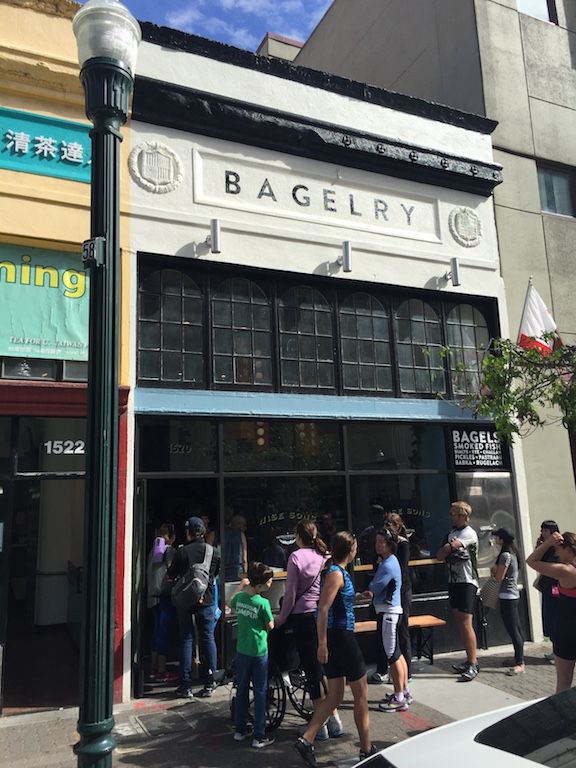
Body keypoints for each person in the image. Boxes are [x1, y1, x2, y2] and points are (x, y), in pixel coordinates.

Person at [294, 531, 376, 768]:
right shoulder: (336, 574)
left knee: (335, 696)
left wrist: (357, 596)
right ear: (350, 550)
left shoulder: (336, 572)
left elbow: (338, 601)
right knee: (361, 694)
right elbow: (323, 609)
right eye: (356, 547)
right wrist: (322, 644)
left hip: (336, 637)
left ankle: (306, 739)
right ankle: (366, 749)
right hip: (340, 637)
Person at [275, 519, 343, 742]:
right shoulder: (324, 555)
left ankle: (319, 725)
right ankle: (334, 718)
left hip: (302, 617)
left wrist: (281, 618)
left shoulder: (296, 557)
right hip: (321, 614)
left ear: (298, 536)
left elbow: (291, 593)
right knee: (322, 669)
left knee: (312, 670)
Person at [168, 516, 220, 698]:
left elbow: (171, 574)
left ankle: (186, 686)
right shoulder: (213, 552)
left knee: (186, 640)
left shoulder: (182, 552)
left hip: (185, 602)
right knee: (208, 639)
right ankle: (210, 682)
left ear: (188, 532)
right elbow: (215, 574)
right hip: (206, 600)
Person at [228, 561, 275, 749]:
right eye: (269, 582)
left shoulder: (240, 598)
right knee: (260, 691)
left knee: (241, 689)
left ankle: (240, 730)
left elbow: (229, 602)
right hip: (259, 651)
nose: (271, 584)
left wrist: (241, 585)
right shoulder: (263, 603)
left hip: (242, 649)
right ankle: (259, 735)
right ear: (260, 585)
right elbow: (270, 625)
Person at [364, 527, 412, 712]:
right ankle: (404, 692)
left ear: (390, 544)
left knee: (392, 655)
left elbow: (374, 588)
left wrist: (362, 592)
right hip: (392, 612)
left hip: (388, 613)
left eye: (381, 542)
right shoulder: (389, 561)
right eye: (376, 542)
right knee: (397, 653)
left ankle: (399, 697)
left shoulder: (387, 565)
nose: (377, 545)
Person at [527, 530, 576, 692]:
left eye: (558, 549)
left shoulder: (565, 571)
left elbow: (531, 561)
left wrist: (547, 543)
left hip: (567, 630)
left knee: (564, 682)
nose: (556, 553)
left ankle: (563, 709)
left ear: (568, 549)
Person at [436, 501, 480, 682]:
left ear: (462, 516)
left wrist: (449, 547)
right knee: (459, 621)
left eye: (453, 514)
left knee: (466, 622)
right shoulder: (451, 534)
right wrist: (448, 547)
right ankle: (468, 658)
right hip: (453, 581)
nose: (451, 517)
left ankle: (473, 663)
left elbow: (449, 548)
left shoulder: (469, 533)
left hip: (467, 581)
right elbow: (440, 555)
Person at [490, 527, 525, 676]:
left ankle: (520, 663)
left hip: (507, 596)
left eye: (497, 537)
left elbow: (499, 577)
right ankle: (518, 658)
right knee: (516, 628)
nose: (495, 540)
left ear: (502, 539)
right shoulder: (513, 553)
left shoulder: (505, 555)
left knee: (513, 630)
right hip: (512, 595)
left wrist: (493, 570)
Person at [146, 523, 178, 683]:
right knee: (163, 632)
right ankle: (161, 670)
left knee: (156, 631)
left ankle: (153, 668)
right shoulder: (169, 550)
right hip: (165, 595)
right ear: (172, 536)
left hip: (153, 596)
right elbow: (171, 571)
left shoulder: (153, 550)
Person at [536, 520, 560, 660]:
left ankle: (559, 649)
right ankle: (555, 648)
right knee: (549, 617)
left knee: (555, 615)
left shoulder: (557, 548)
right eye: (542, 530)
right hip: (547, 587)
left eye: (545, 530)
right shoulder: (545, 547)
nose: (543, 533)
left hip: (555, 588)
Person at [224, 514, 248, 582]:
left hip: (222, 568)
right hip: (237, 569)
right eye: (244, 525)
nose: (245, 528)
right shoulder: (240, 534)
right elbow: (244, 558)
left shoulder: (219, 533)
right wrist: (245, 573)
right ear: (238, 524)